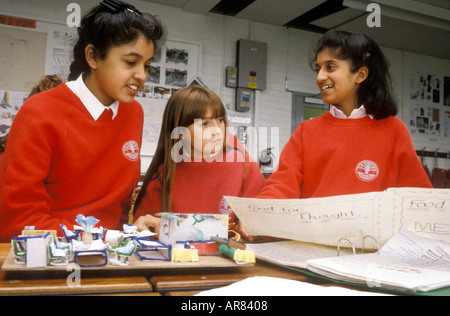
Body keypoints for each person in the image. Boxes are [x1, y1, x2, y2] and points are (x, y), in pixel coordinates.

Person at [0, 0, 166, 242]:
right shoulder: (39, 111)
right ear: (93, 56)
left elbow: (117, 209)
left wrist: (131, 231)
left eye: (147, 65)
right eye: (131, 62)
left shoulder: (134, 113)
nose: (141, 76)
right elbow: (19, 221)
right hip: (48, 258)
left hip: (109, 256)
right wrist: (109, 238)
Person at [258, 30, 432, 200]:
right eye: (318, 69)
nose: (319, 77)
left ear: (360, 74)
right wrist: (259, 211)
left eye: (330, 67)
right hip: (317, 229)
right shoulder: (307, 131)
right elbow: (282, 185)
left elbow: (418, 195)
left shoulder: (393, 130)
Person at [132, 85, 265, 239]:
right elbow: (144, 230)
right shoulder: (164, 173)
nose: (217, 130)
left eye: (220, 120)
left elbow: (264, 228)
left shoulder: (245, 166)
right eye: (205, 123)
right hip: (178, 261)